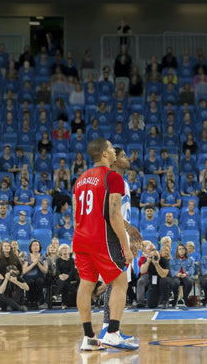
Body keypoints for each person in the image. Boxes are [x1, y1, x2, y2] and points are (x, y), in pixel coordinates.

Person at [72, 138, 137, 351]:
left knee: (86, 284)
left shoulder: (80, 179)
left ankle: (89, 337)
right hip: (102, 238)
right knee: (120, 283)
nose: (114, 151)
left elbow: (75, 215)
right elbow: (114, 214)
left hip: (80, 237)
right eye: (110, 147)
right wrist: (125, 247)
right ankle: (112, 333)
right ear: (104, 154)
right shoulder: (112, 177)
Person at [101, 148, 144, 338]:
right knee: (115, 282)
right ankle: (107, 329)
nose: (128, 158)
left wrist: (129, 237)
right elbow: (110, 212)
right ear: (114, 160)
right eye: (124, 156)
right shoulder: (109, 180)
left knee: (119, 283)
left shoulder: (123, 182)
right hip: (111, 235)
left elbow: (123, 211)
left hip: (121, 234)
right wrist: (127, 230)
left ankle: (110, 328)